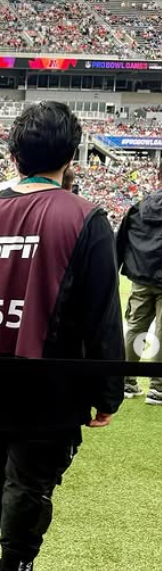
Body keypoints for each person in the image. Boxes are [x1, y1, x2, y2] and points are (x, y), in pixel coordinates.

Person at [0, 102, 124, 571]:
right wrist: (108, 391)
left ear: (15, 151)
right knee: (30, 481)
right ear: (72, 153)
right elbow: (102, 317)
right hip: (50, 377)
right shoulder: (84, 216)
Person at [117, 162, 162, 405]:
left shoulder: (140, 206)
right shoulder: (139, 206)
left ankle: (126, 382)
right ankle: (159, 387)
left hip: (141, 276)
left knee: (135, 328)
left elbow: (122, 238)